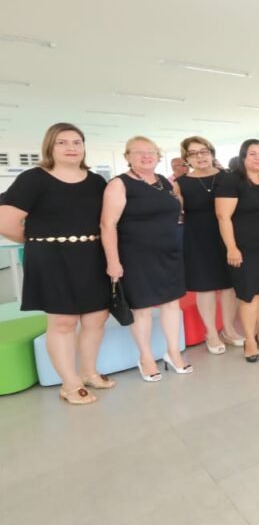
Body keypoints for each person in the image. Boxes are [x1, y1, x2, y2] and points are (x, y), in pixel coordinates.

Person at [0, 123, 112, 404]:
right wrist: (40, 241)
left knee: (96, 317)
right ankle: (70, 384)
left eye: (77, 142)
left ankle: (88, 372)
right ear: (50, 146)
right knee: (63, 321)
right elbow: (5, 222)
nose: (71, 147)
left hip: (92, 255)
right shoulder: (33, 179)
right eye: (62, 142)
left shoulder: (96, 181)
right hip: (51, 258)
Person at [101, 136, 189, 381]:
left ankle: (173, 353)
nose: (146, 156)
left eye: (151, 151)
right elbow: (107, 225)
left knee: (172, 304)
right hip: (135, 256)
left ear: (158, 156)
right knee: (142, 308)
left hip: (169, 252)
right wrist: (113, 261)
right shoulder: (119, 184)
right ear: (127, 156)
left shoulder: (163, 182)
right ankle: (146, 357)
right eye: (138, 152)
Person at [215, 139, 259, 362]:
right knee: (249, 295)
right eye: (252, 154)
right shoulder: (231, 180)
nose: (258, 158)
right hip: (244, 249)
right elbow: (223, 217)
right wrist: (231, 248)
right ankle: (250, 341)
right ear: (243, 156)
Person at [177, 136, 243, 354]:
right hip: (197, 240)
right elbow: (175, 212)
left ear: (212, 153)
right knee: (204, 287)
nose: (200, 157)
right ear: (187, 158)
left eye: (204, 151)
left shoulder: (228, 178)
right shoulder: (181, 183)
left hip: (228, 238)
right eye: (193, 153)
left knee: (229, 285)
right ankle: (211, 333)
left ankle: (229, 329)